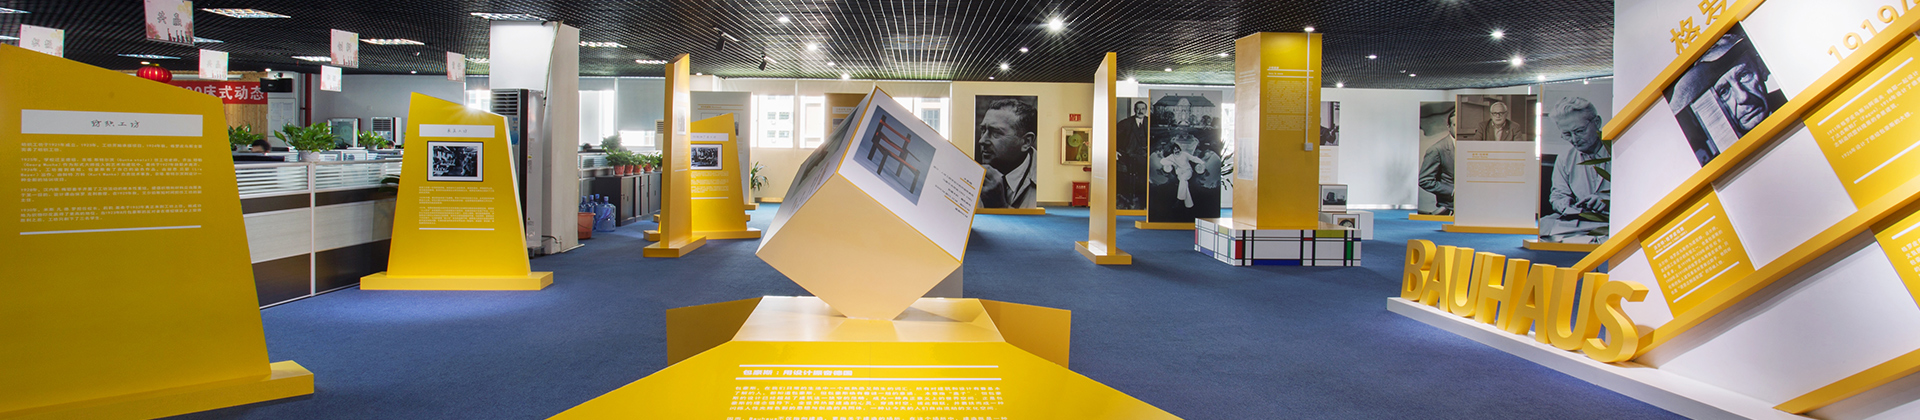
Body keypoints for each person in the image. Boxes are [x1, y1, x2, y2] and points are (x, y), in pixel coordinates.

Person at [1547, 97, 1609, 222]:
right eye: (1567, 134)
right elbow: (1558, 195)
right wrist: (1564, 204)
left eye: (1580, 131)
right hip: (1581, 221)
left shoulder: (1621, 151)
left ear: (1597, 122)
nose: (1574, 140)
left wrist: (1609, 201)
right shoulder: (1564, 159)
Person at [976, 98, 1037, 209]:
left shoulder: (1045, 178)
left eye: (995, 133)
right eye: (983, 130)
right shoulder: (972, 173)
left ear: (1026, 142)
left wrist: (1000, 206)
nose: (982, 141)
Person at [1419, 107, 1456, 214]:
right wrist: (1452, 190)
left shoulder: (1470, 145)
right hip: (1449, 207)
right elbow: (1424, 180)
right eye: (1455, 125)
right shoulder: (1436, 150)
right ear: (1449, 127)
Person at [1115, 100, 1151, 209]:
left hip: (1145, 157)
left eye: (1143, 109)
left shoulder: (1150, 122)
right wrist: (1115, 150)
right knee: (1129, 181)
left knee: (1144, 180)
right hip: (1128, 157)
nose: (1140, 111)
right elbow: (1113, 135)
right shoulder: (1125, 123)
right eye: (1138, 109)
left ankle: (1143, 204)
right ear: (1134, 110)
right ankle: (1129, 202)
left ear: (1146, 110)